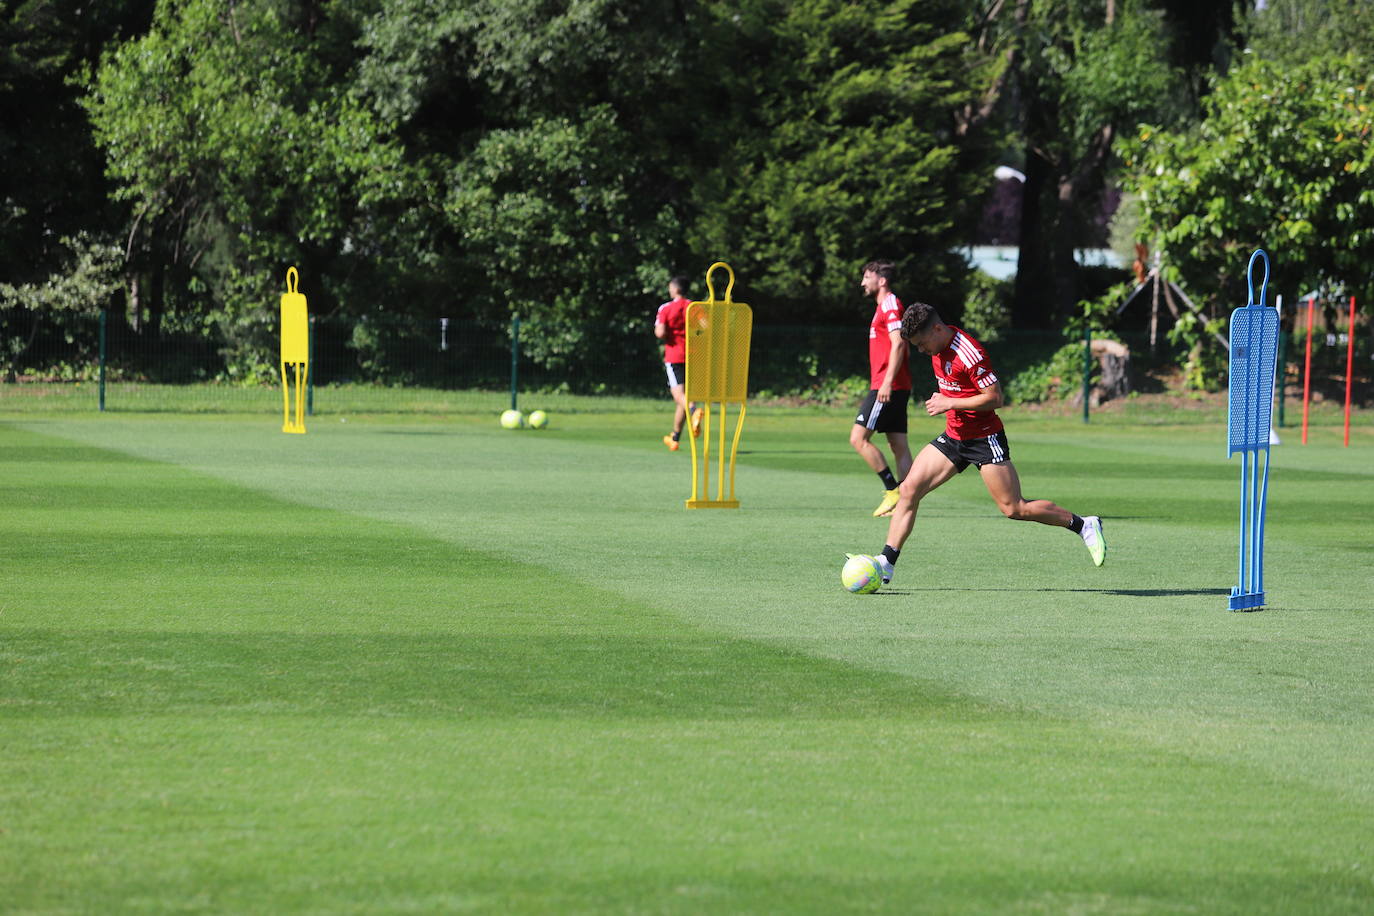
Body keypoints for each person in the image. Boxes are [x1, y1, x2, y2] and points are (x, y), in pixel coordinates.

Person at [868, 301, 1106, 584]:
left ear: (937, 329)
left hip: (984, 438)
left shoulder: (970, 353)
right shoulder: (936, 345)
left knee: (1014, 508)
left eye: (921, 344)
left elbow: (996, 398)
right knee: (908, 491)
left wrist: (950, 402)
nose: (921, 351)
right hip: (954, 437)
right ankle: (886, 562)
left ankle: (1083, 524)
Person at [851, 260, 913, 516]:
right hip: (896, 384)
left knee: (858, 438)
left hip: (887, 385)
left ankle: (892, 490)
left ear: (882, 280)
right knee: (898, 444)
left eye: (867, 277)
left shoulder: (889, 304)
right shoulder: (884, 307)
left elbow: (899, 344)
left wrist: (886, 382)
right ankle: (910, 497)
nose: (863, 282)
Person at [654, 276, 702, 451]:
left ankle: (694, 410)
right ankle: (675, 437)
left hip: (675, 356)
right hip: (694, 355)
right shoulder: (695, 307)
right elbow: (704, 328)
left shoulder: (666, 308)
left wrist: (667, 332)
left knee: (679, 395)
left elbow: (660, 332)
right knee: (683, 398)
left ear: (674, 289)